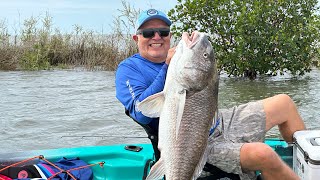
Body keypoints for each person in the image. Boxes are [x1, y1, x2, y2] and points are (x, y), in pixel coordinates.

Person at [115, 8, 306, 180]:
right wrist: (167, 66)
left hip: (215, 120)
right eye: (148, 33)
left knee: (284, 104)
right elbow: (141, 112)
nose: (157, 37)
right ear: (136, 38)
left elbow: (204, 82)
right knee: (264, 155)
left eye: (163, 32)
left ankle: (310, 166)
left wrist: (190, 58)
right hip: (188, 142)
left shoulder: (180, 58)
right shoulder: (129, 69)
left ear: (169, 36)